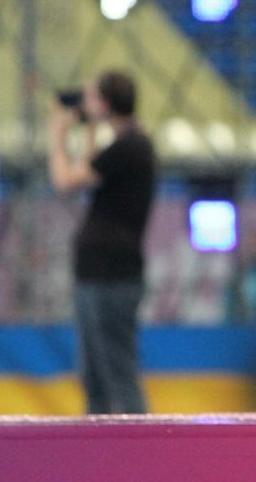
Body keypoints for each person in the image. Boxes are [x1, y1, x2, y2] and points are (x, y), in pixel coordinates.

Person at [48, 70, 156, 414]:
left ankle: (138, 441)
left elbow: (65, 180)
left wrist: (57, 135)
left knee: (116, 374)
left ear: (106, 103)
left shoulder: (130, 146)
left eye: (92, 97)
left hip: (110, 276)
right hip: (100, 273)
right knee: (95, 376)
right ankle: (101, 442)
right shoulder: (127, 146)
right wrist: (92, 128)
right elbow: (92, 166)